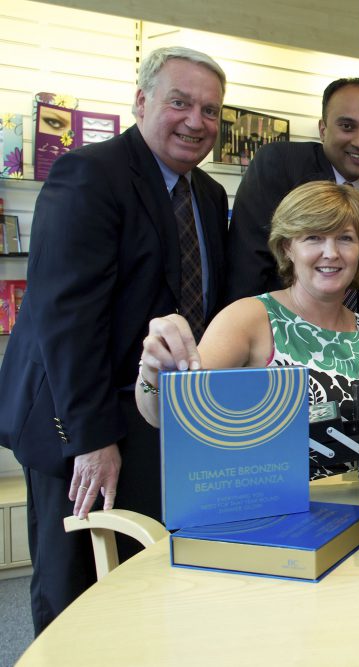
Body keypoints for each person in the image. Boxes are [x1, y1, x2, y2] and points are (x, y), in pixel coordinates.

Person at [0, 46, 229, 634]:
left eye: (210, 110)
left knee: (140, 579)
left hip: (158, 419)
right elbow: (66, 320)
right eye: (180, 103)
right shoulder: (88, 174)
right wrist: (93, 440)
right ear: (141, 102)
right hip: (82, 423)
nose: (196, 121)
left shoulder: (208, 196)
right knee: (75, 587)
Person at [137, 181, 359, 431]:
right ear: (287, 247)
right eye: (314, 237)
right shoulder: (249, 319)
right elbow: (168, 412)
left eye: (346, 238)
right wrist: (152, 373)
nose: (331, 253)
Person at [225, 77, 359, 310]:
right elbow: (247, 266)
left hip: (347, 329)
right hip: (271, 325)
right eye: (347, 126)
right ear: (323, 130)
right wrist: (248, 328)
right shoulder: (279, 165)